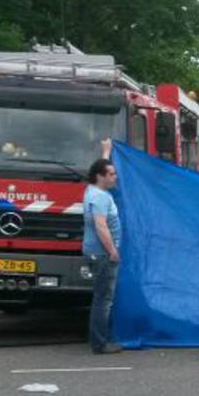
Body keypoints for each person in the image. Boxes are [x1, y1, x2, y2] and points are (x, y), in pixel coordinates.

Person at [83, 139, 121, 354]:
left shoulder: (93, 189)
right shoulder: (99, 198)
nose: (115, 177)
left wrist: (106, 152)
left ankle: (99, 340)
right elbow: (100, 226)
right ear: (101, 177)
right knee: (103, 300)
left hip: (98, 253)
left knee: (101, 297)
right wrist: (112, 251)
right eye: (112, 174)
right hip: (103, 254)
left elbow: (101, 167)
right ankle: (100, 343)